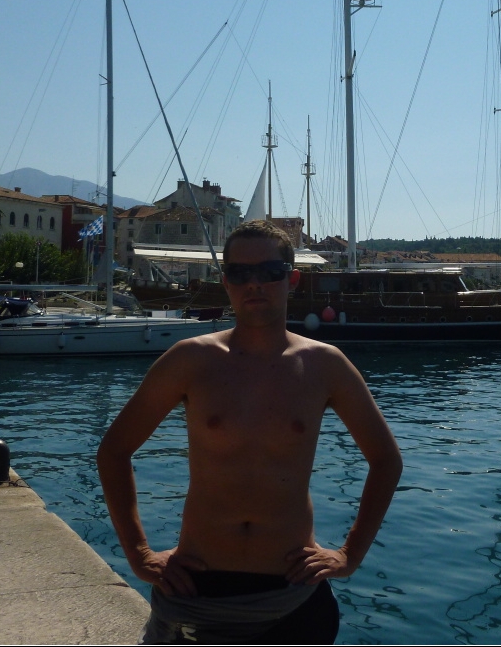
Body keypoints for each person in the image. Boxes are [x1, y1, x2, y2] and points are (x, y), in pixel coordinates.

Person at [97, 220, 402, 645]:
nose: (254, 284)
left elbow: (386, 460)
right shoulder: (190, 360)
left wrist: (350, 554)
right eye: (240, 273)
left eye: (269, 272)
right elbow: (114, 451)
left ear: (291, 279)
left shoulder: (325, 365)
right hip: (197, 587)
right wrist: (139, 554)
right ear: (226, 282)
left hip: (292, 594)